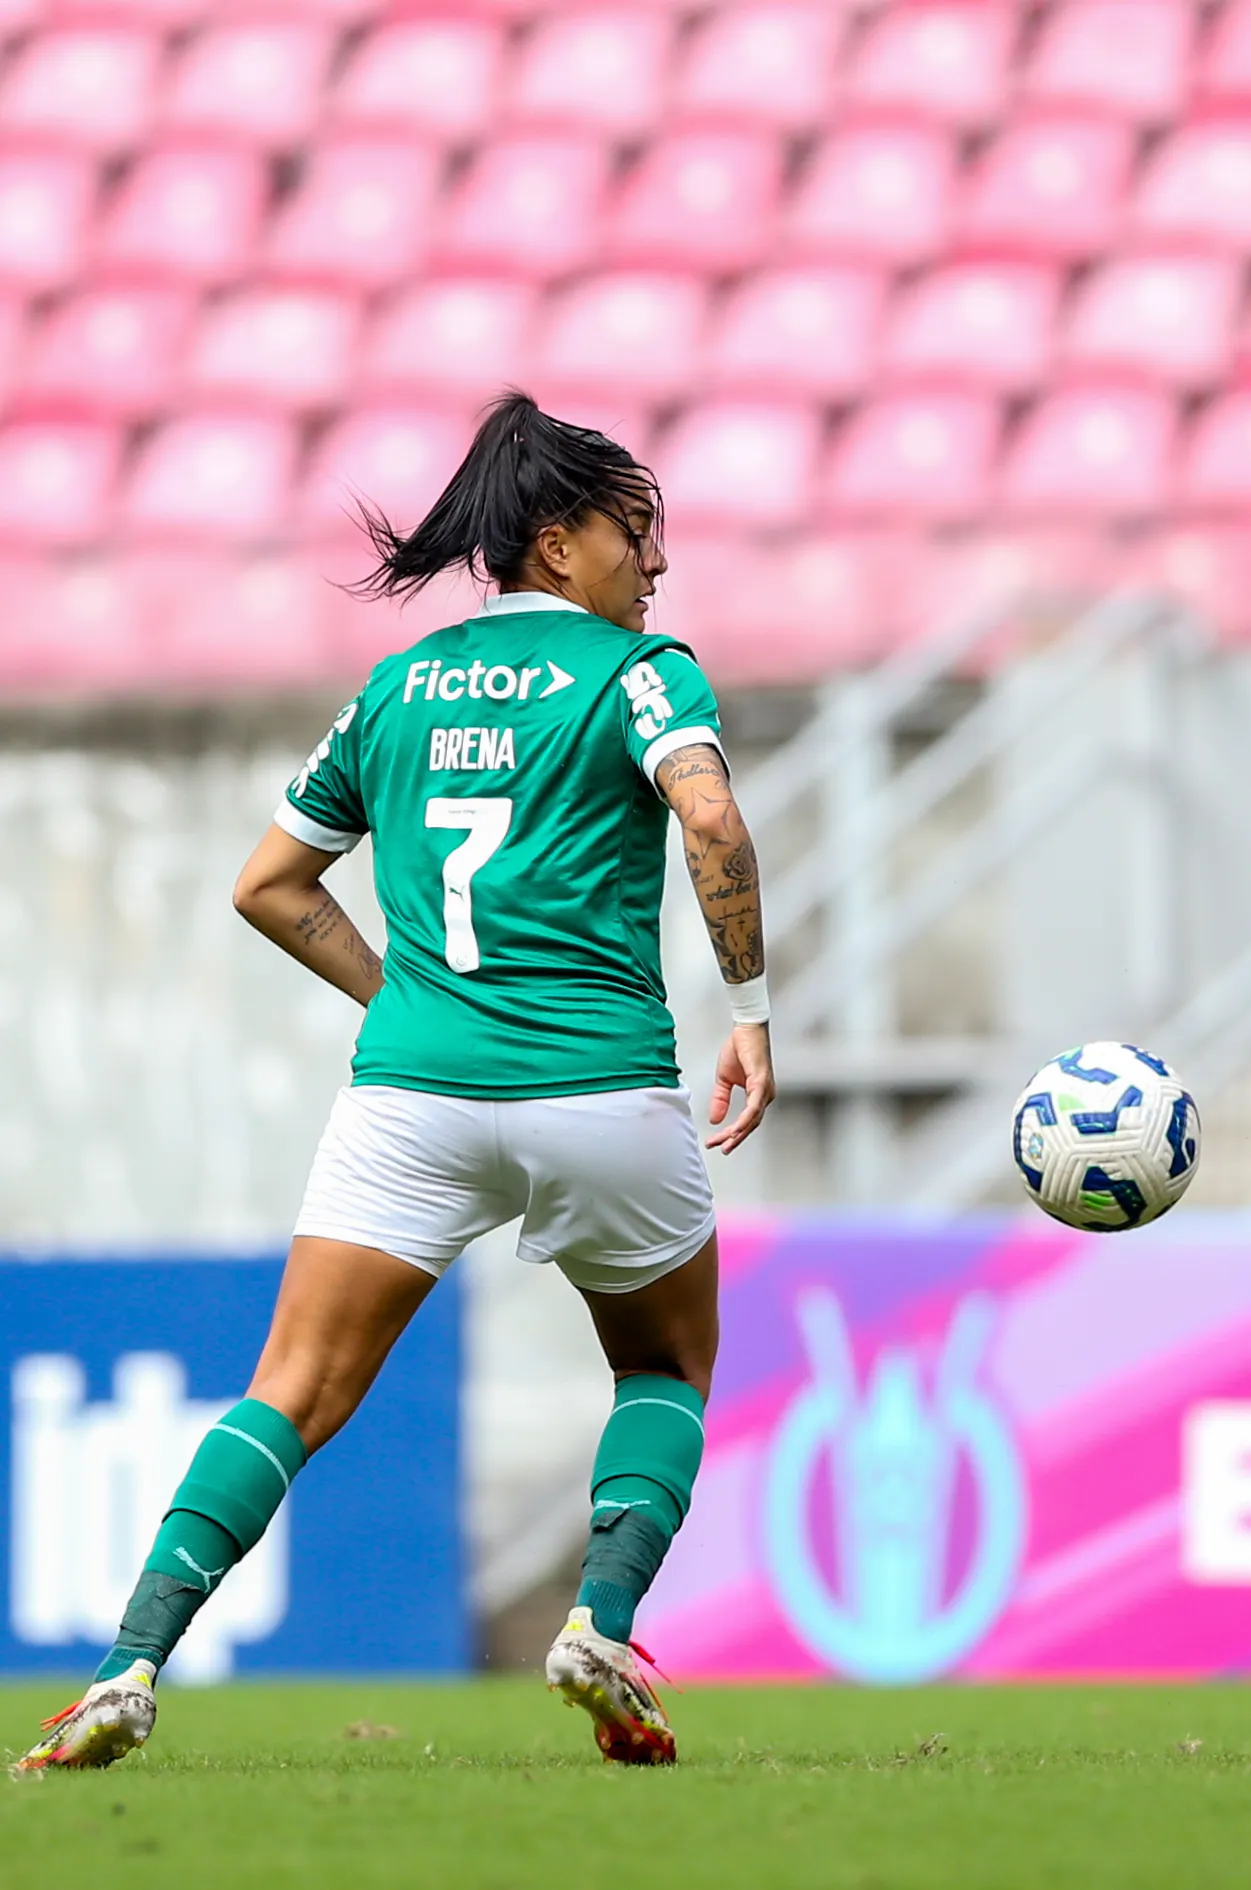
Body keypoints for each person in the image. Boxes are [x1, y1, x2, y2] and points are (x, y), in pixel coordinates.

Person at [17, 392, 775, 1772]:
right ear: (557, 541)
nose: (654, 566)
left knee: (289, 1386)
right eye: (635, 535)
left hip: (410, 1093)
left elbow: (267, 883)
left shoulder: (400, 685)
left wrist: (411, 1002)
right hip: (598, 1082)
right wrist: (756, 1012)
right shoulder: (642, 672)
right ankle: (599, 1621)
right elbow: (710, 814)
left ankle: (124, 1668)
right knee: (663, 1360)